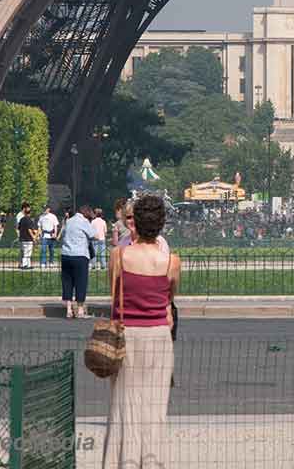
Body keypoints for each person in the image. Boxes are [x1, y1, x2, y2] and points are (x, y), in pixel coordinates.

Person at [102, 195, 181, 469]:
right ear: (161, 225)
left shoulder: (118, 255)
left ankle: (122, 463)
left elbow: (113, 297)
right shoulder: (171, 261)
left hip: (126, 334)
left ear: (133, 222)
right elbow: (168, 300)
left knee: (123, 406)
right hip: (158, 335)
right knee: (155, 409)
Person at [60, 204, 97, 319]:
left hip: (66, 254)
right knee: (81, 281)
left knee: (67, 281)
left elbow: (64, 234)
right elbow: (94, 235)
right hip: (80, 255)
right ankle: (80, 310)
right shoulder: (84, 222)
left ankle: (69, 310)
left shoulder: (69, 221)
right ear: (86, 213)